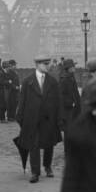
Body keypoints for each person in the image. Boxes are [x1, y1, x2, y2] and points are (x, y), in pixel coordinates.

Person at [15, 54, 63, 183]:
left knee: (49, 144)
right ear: (37, 65)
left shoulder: (53, 82)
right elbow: (22, 101)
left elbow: (58, 102)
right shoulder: (28, 82)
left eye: (48, 64)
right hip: (32, 120)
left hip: (49, 119)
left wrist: (59, 119)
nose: (48, 66)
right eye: (45, 64)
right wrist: (20, 119)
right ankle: (35, 172)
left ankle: (47, 166)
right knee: (34, 145)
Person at [58, 58, 82, 129]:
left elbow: (75, 92)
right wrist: (70, 103)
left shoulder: (71, 76)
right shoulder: (64, 79)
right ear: (69, 68)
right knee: (68, 129)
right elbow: (61, 96)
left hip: (74, 108)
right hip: (67, 109)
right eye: (73, 66)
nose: (75, 67)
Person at [0, 58, 11, 123]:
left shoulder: (5, 73)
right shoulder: (1, 73)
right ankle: (2, 118)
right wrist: (8, 82)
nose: (9, 68)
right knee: (3, 106)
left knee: (4, 106)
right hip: (1, 92)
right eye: (8, 66)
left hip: (4, 92)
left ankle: (0, 116)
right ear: (5, 67)